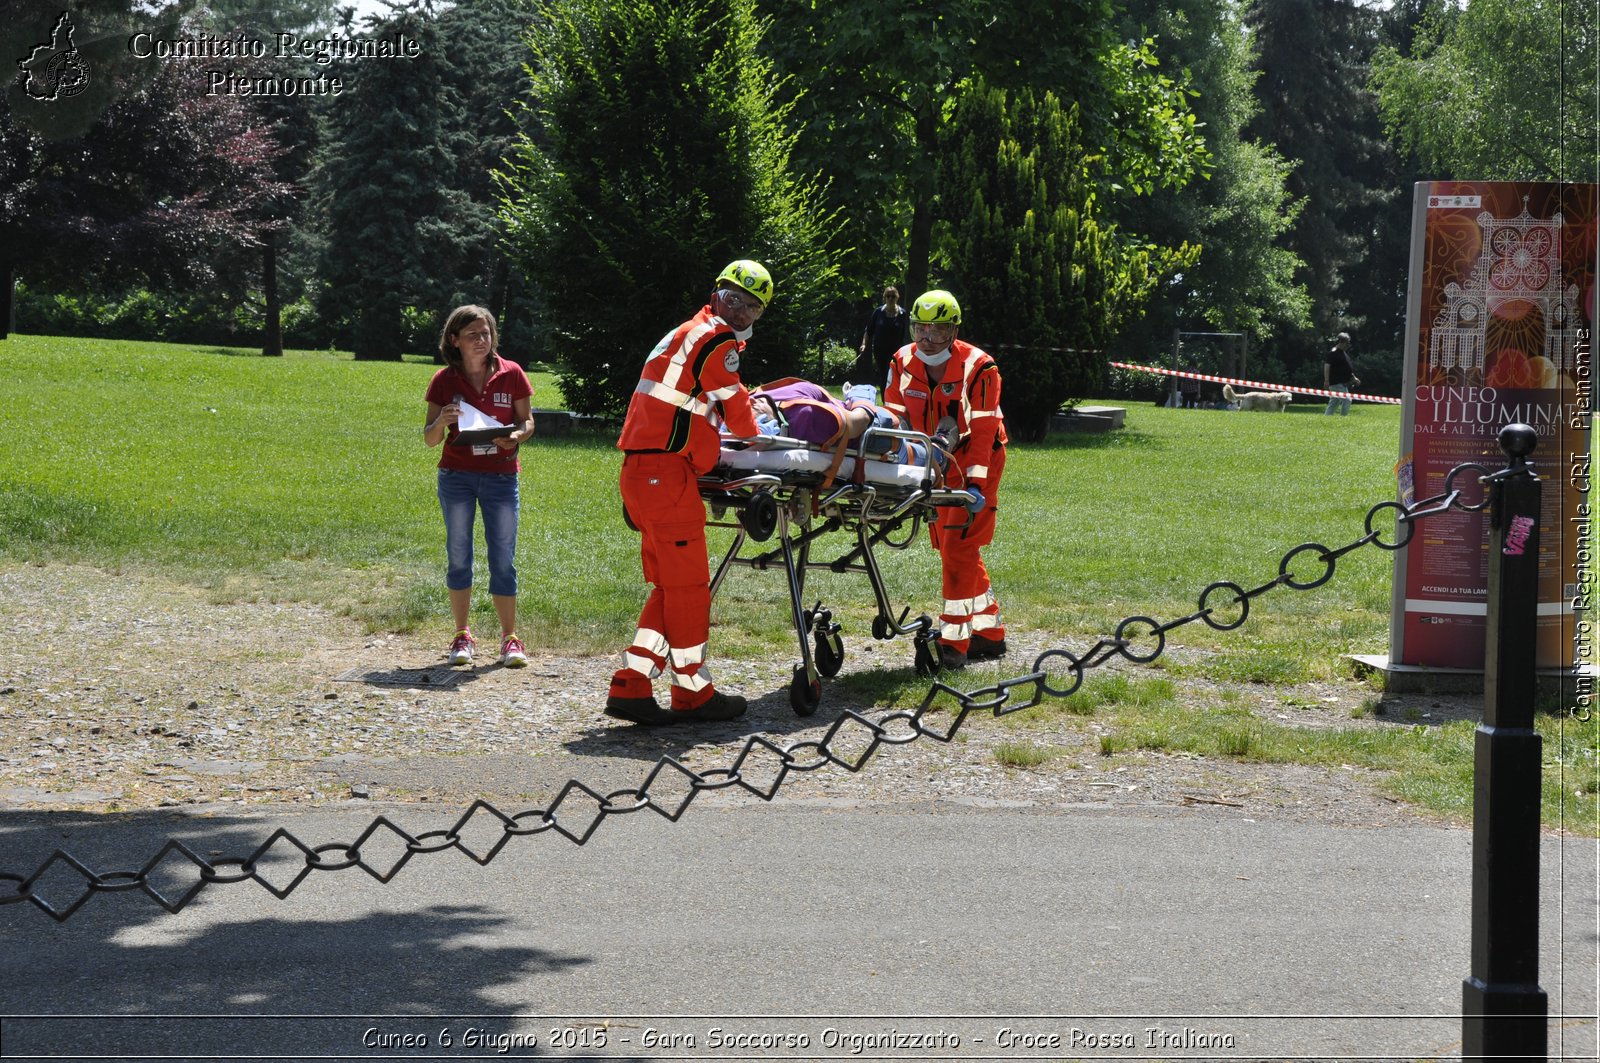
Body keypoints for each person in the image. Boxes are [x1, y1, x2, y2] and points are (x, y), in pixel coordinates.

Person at [605, 260, 771, 726]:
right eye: (734, 298)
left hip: (643, 472)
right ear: (717, 292)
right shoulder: (716, 338)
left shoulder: (686, 331)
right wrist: (754, 433)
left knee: (670, 586)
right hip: (665, 474)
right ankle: (693, 693)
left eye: (752, 306)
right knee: (691, 590)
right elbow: (734, 402)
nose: (740, 311)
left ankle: (633, 684)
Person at [883, 290, 1009, 670]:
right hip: (931, 457)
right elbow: (894, 419)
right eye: (921, 329)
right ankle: (989, 632)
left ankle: (954, 642)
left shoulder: (980, 367)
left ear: (954, 331)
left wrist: (975, 485)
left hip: (977, 455)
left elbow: (984, 432)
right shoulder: (901, 361)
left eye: (938, 331)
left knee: (959, 546)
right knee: (956, 546)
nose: (928, 339)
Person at [423, 305, 535, 668]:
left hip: (502, 476)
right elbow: (429, 439)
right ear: (454, 340)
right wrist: (442, 419)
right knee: (459, 556)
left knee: (503, 558)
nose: (481, 341)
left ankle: (510, 639)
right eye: (472, 335)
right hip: (457, 477)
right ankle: (461, 635)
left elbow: (527, 420)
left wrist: (517, 435)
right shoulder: (443, 380)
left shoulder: (512, 373)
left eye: (486, 334)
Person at [858, 286, 910, 388]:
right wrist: (864, 344)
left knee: (895, 375)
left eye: (893, 296)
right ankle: (885, 400)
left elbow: (907, 333)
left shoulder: (903, 314)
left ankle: (895, 399)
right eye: (888, 296)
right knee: (884, 375)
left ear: (897, 297)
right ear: (884, 297)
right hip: (880, 351)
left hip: (896, 352)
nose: (890, 298)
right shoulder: (878, 312)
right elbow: (868, 330)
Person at [1324, 332, 1360, 416]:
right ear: (1342, 342)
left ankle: (1326, 418)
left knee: (1334, 402)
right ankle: (1343, 419)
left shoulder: (1343, 353)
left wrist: (1354, 378)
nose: (1348, 345)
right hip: (1336, 382)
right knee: (1347, 400)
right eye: (1347, 343)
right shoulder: (1333, 352)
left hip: (1341, 383)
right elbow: (1326, 366)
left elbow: (1347, 368)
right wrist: (1326, 380)